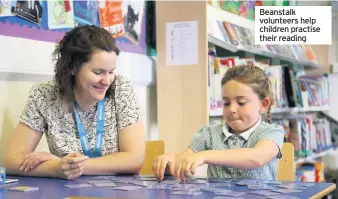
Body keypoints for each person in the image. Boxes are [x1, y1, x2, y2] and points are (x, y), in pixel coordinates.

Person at [3, 25, 145, 180]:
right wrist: (55, 168)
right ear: (72, 67)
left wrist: (70, 166)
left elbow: (134, 160)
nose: (107, 81)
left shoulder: (121, 89)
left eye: (111, 72)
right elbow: (10, 161)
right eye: (98, 72)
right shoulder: (44, 96)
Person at [153, 65, 285, 182]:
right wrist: (170, 162)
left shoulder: (272, 132)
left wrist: (204, 155)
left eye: (241, 103)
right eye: (226, 103)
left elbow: (256, 158)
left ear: (264, 104)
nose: (232, 109)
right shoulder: (208, 134)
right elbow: (185, 160)